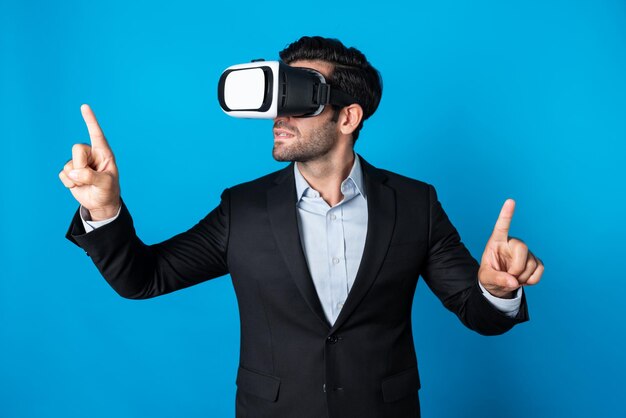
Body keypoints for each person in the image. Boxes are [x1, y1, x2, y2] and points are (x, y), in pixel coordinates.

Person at [60, 36, 544, 418]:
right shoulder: (243, 208)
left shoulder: (415, 204)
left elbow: (477, 313)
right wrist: (105, 209)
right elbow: (143, 278)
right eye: (277, 92)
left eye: (299, 94)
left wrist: (495, 290)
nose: (278, 112)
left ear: (348, 116)